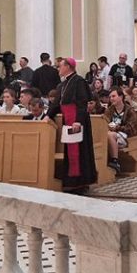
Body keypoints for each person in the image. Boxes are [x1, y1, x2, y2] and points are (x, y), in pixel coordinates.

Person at [46, 57, 97, 193]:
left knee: (80, 151)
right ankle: (71, 182)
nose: (58, 68)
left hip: (76, 120)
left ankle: (81, 183)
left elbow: (82, 102)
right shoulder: (62, 84)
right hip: (67, 120)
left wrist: (78, 121)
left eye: (60, 66)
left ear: (68, 67)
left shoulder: (79, 81)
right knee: (70, 152)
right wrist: (47, 116)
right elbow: (56, 104)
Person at [104, 86, 137, 173]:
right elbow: (104, 123)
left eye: (113, 96)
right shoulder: (109, 110)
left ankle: (115, 161)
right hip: (111, 134)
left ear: (121, 97)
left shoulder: (129, 110)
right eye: (110, 97)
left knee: (110, 135)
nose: (111, 99)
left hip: (126, 136)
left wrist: (117, 127)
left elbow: (131, 128)